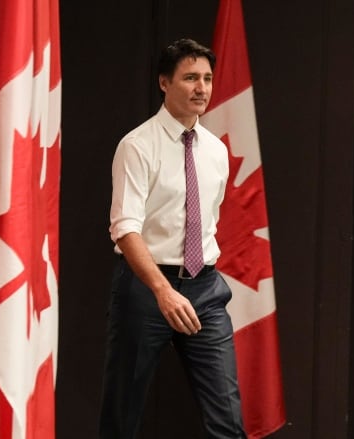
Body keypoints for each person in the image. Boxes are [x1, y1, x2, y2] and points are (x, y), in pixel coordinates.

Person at [99, 38, 246, 438]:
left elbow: (208, 221)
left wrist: (195, 285)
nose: (202, 88)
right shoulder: (137, 146)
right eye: (190, 78)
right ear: (164, 83)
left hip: (204, 289)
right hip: (146, 289)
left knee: (228, 420)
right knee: (122, 416)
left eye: (207, 78)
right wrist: (163, 291)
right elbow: (125, 227)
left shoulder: (216, 151)